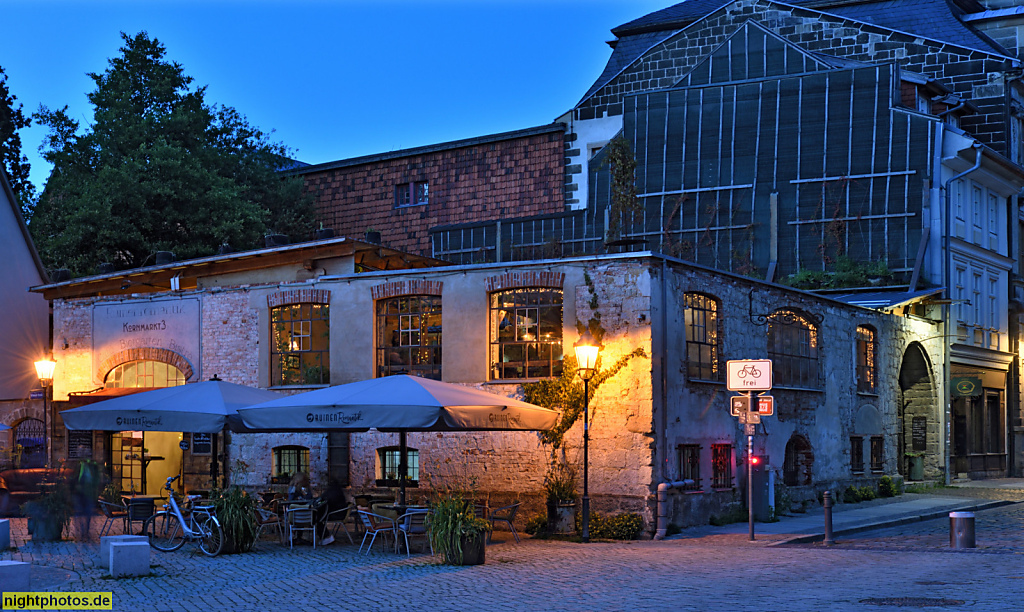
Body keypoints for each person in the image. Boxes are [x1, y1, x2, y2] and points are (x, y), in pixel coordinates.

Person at [313, 478, 348, 545]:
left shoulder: (333, 492)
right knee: (319, 517)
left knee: (318, 518)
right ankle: (325, 537)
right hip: (338, 512)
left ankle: (325, 537)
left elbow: (325, 499)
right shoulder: (337, 491)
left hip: (336, 514)